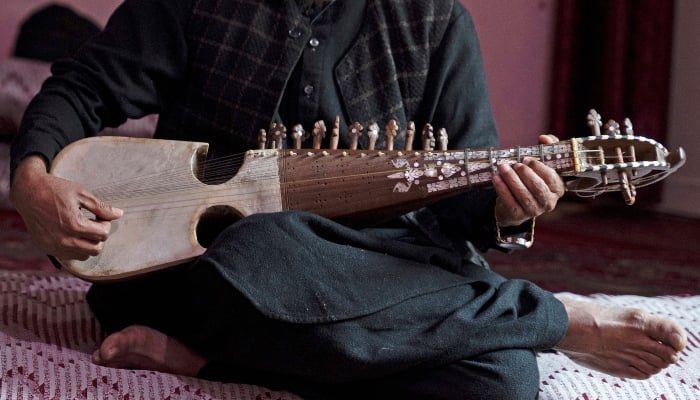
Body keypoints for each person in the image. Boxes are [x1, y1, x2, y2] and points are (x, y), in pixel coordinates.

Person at [9, 0, 686, 399]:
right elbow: (83, 87)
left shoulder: (434, 19)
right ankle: (554, 318)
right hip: (203, 267)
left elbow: (464, 208)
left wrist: (508, 208)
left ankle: (213, 366)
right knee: (265, 245)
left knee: (500, 385)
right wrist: (33, 180)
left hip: (376, 272)